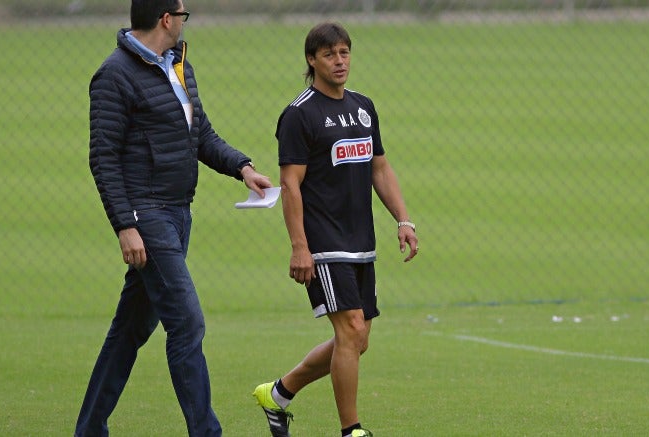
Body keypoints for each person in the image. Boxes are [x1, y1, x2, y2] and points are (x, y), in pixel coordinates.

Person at [75, 1, 272, 436]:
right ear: (166, 18)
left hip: (178, 213)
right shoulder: (114, 75)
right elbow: (103, 157)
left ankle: (88, 430)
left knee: (131, 328)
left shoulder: (177, 64)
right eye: (182, 14)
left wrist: (242, 168)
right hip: (147, 217)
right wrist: (126, 225)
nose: (185, 21)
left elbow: (199, 134)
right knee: (187, 322)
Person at [252, 22, 418, 437]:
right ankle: (352, 430)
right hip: (324, 243)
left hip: (361, 241)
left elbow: (379, 167)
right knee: (350, 330)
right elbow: (290, 184)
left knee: (358, 341)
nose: (339, 61)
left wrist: (403, 219)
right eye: (330, 54)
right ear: (312, 60)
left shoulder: (363, 106)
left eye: (344, 52)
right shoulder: (299, 114)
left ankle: (278, 393)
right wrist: (299, 247)